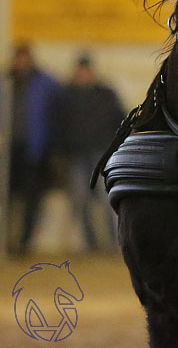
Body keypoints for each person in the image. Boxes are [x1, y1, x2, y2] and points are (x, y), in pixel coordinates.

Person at [54, 53, 125, 252]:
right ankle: (91, 242)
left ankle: (114, 240)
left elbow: (120, 120)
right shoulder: (67, 96)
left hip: (101, 155)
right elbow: (59, 126)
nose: (83, 75)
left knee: (106, 200)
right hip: (76, 155)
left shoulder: (106, 93)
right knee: (81, 200)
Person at [7, 44, 60, 254]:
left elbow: (56, 115)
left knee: (31, 199)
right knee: (9, 199)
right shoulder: (6, 81)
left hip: (34, 151)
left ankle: (23, 243)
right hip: (8, 152)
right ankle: (7, 241)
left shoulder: (45, 83)